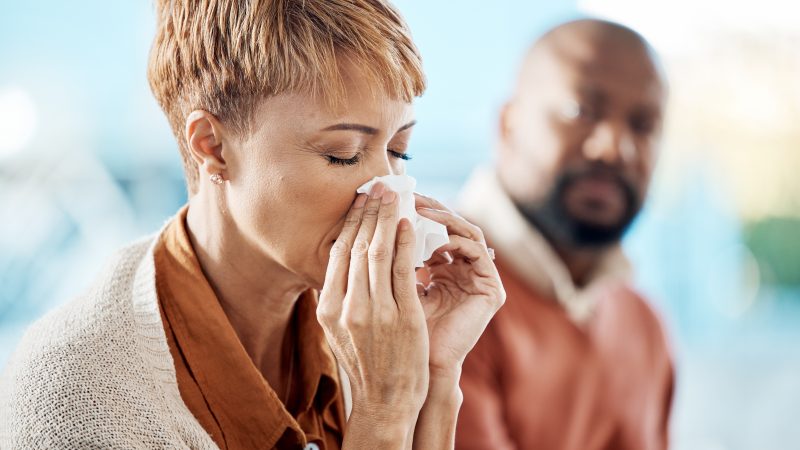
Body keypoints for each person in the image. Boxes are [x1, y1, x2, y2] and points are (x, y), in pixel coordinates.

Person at [0, 1, 505, 448]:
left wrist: (433, 373)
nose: (390, 193)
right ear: (213, 147)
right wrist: (383, 411)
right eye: (343, 155)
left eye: (399, 150)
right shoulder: (79, 395)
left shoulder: (367, 331)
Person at [454, 19, 673, 450]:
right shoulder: (438, 294)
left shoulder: (645, 325)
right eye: (581, 111)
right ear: (508, 124)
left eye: (643, 125)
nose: (614, 147)